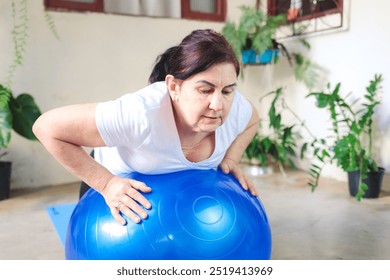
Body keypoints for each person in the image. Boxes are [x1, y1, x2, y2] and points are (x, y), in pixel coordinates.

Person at [33, 29, 259, 226]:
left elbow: (253, 120)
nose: (218, 105)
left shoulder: (236, 108)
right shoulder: (140, 113)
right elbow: (46, 127)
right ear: (173, 86)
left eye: (227, 91)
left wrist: (231, 159)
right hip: (117, 181)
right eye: (205, 90)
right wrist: (107, 183)